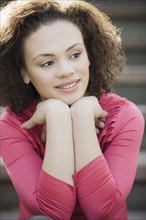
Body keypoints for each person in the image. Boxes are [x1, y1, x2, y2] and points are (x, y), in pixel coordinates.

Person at [0, 0, 144, 219]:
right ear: (24, 73)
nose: (66, 71)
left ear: (89, 56)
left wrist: (81, 116)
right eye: (47, 63)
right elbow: (53, 212)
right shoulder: (12, 125)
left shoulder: (125, 116)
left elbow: (100, 210)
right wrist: (58, 117)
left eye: (75, 55)